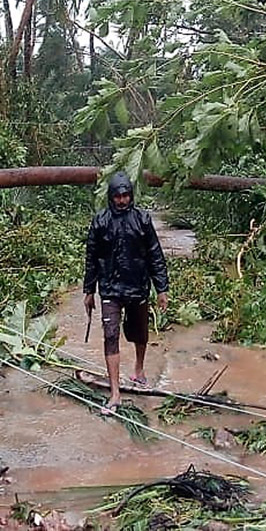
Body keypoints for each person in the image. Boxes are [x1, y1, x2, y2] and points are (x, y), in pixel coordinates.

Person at [83, 171, 169, 415]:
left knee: (139, 333)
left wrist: (161, 288)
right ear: (111, 197)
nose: (122, 200)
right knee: (111, 335)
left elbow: (155, 254)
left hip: (138, 286)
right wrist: (89, 290)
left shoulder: (142, 219)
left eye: (125, 196)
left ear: (131, 196)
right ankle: (115, 393)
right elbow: (91, 258)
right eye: (118, 196)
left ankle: (139, 370)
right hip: (109, 288)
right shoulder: (100, 221)